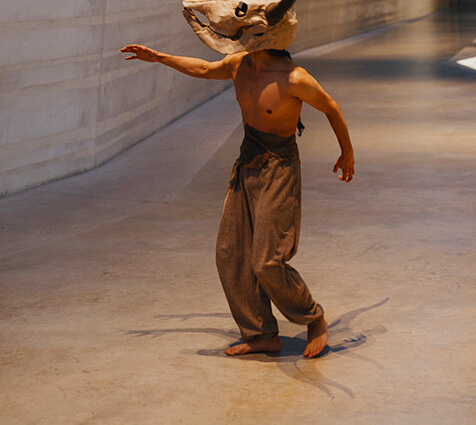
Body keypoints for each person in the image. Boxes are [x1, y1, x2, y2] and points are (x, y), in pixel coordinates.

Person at [120, 40, 355, 358]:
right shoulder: (239, 64)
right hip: (247, 161)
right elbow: (203, 68)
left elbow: (331, 107)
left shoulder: (294, 77)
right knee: (230, 253)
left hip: (280, 166)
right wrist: (159, 57)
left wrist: (347, 153)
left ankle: (314, 319)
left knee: (268, 262)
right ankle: (261, 333)